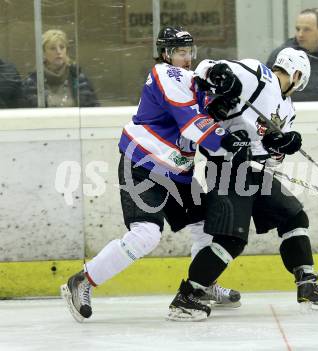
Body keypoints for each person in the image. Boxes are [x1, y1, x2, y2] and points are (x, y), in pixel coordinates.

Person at [60, 26, 249, 323]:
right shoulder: (165, 75)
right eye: (180, 52)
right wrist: (223, 139)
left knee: (208, 222)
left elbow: (212, 104)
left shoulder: (195, 83)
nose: (187, 58)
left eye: (190, 52)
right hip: (143, 165)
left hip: (179, 174)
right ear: (165, 54)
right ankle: (83, 280)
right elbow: (191, 122)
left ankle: (203, 285)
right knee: (146, 235)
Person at [167, 48, 318, 321]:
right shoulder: (258, 75)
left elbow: (272, 160)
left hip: (255, 172)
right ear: (297, 75)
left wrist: (281, 146)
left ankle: (307, 283)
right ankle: (187, 296)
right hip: (227, 169)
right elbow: (205, 69)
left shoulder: (288, 109)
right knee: (231, 239)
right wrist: (220, 76)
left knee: (293, 216)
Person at [22, 29, 99, 107]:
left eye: (62, 47)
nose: (58, 52)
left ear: (66, 51)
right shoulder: (33, 81)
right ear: (43, 52)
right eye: (53, 48)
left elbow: (93, 110)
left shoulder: (78, 78)